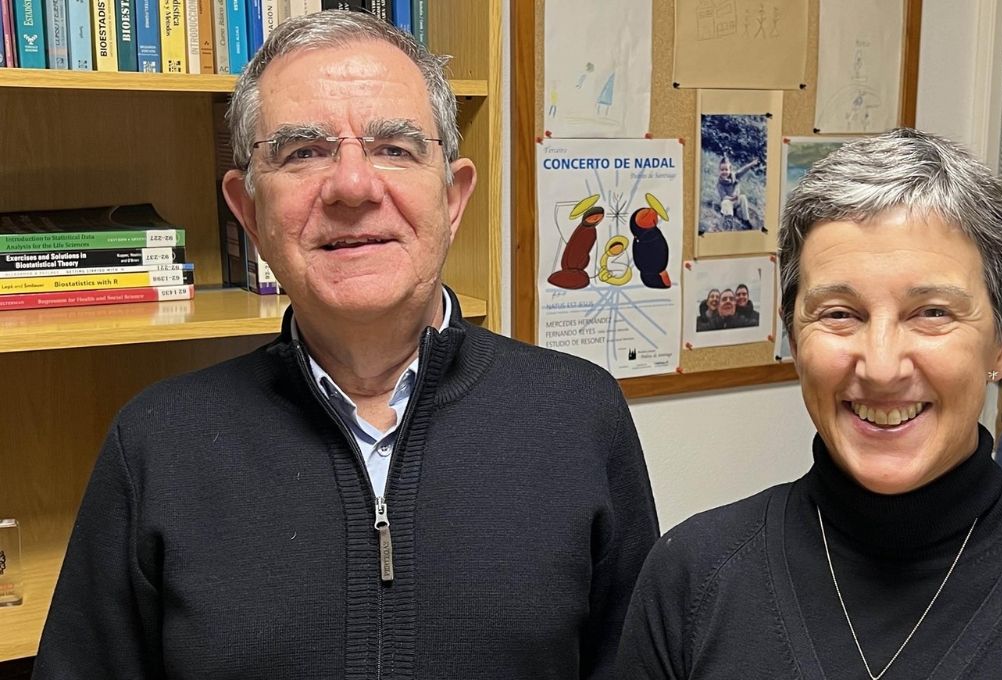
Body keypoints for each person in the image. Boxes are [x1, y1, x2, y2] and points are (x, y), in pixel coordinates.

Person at [34, 11, 658, 680]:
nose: (353, 187)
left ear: (452, 197)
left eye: (395, 147)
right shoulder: (156, 445)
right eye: (303, 151)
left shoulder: (579, 416)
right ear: (247, 210)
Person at [617, 128, 1002, 678]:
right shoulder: (691, 580)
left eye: (932, 313)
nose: (881, 366)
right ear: (794, 337)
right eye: (840, 313)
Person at [715, 151, 758, 226]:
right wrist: (732, 198)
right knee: (725, 203)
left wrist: (751, 164)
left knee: (743, 197)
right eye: (722, 170)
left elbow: (743, 170)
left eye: (726, 169)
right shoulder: (720, 184)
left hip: (735, 201)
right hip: (728, 202)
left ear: (730, 170)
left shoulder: (735, 176)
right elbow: (724, 197)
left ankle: (746, 219)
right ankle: (729, 219)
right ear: (719, 171)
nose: (724, 172)